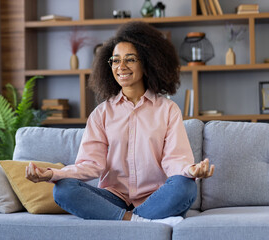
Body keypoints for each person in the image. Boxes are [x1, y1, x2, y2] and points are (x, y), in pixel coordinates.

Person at [25, 21, 214, 226]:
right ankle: (137, 221)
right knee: (63, 189)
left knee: (185, 186)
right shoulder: (101, 114)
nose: (121, 67)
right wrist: (53, 174)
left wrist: (190, 170)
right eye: (115, 61)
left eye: (130, 59)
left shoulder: (167, 110)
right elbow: (90, 165)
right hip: (114, 198)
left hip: (156, 197)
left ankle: (124, 221)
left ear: (147, 63)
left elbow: (174, 160)